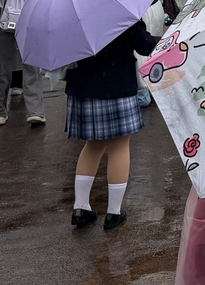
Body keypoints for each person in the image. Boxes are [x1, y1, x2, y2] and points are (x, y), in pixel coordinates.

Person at [67, 18, 159, 231]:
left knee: (93, 145)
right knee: (119, 147)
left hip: (83, 85)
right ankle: (113, 212)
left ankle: (80, 208)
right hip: (116, 85)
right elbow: (144, 45)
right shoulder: (121, 12)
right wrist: (165, 39)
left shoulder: (75, 14)